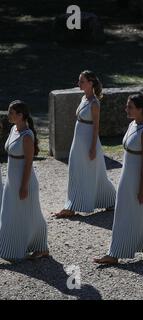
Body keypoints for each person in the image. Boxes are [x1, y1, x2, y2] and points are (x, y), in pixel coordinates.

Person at [94, 94, 143, 264]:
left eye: (130, 107)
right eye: (127, 106)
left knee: (132, 213)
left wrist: (142, 187)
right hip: (126, 175)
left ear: (140, 109)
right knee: (132, 213)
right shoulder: (132, 125)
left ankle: (114, 254)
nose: (126, 109)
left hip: (138, 177)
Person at [53, 70, 116, 218]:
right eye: (79, 81)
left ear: (90, 83)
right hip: (79, 139)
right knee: (77, 169)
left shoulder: (94, 103)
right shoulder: (83, 98)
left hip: (88, 141)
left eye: (82, 81)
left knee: (95, 172)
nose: (79, 84)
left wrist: (93, 147)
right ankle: (108, 200)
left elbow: (96, 127)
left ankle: (109, 200)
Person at [0, 100, 49, 261]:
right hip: (11, 180)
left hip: (24, 181)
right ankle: (10, 247)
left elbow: (28, 163)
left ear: (20, 116)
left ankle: (39, 247)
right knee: (8, 214)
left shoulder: (27, 136)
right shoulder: (14, 129)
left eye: (12, 113)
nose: (9, 115)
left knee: (31, 214)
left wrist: (23, 186)